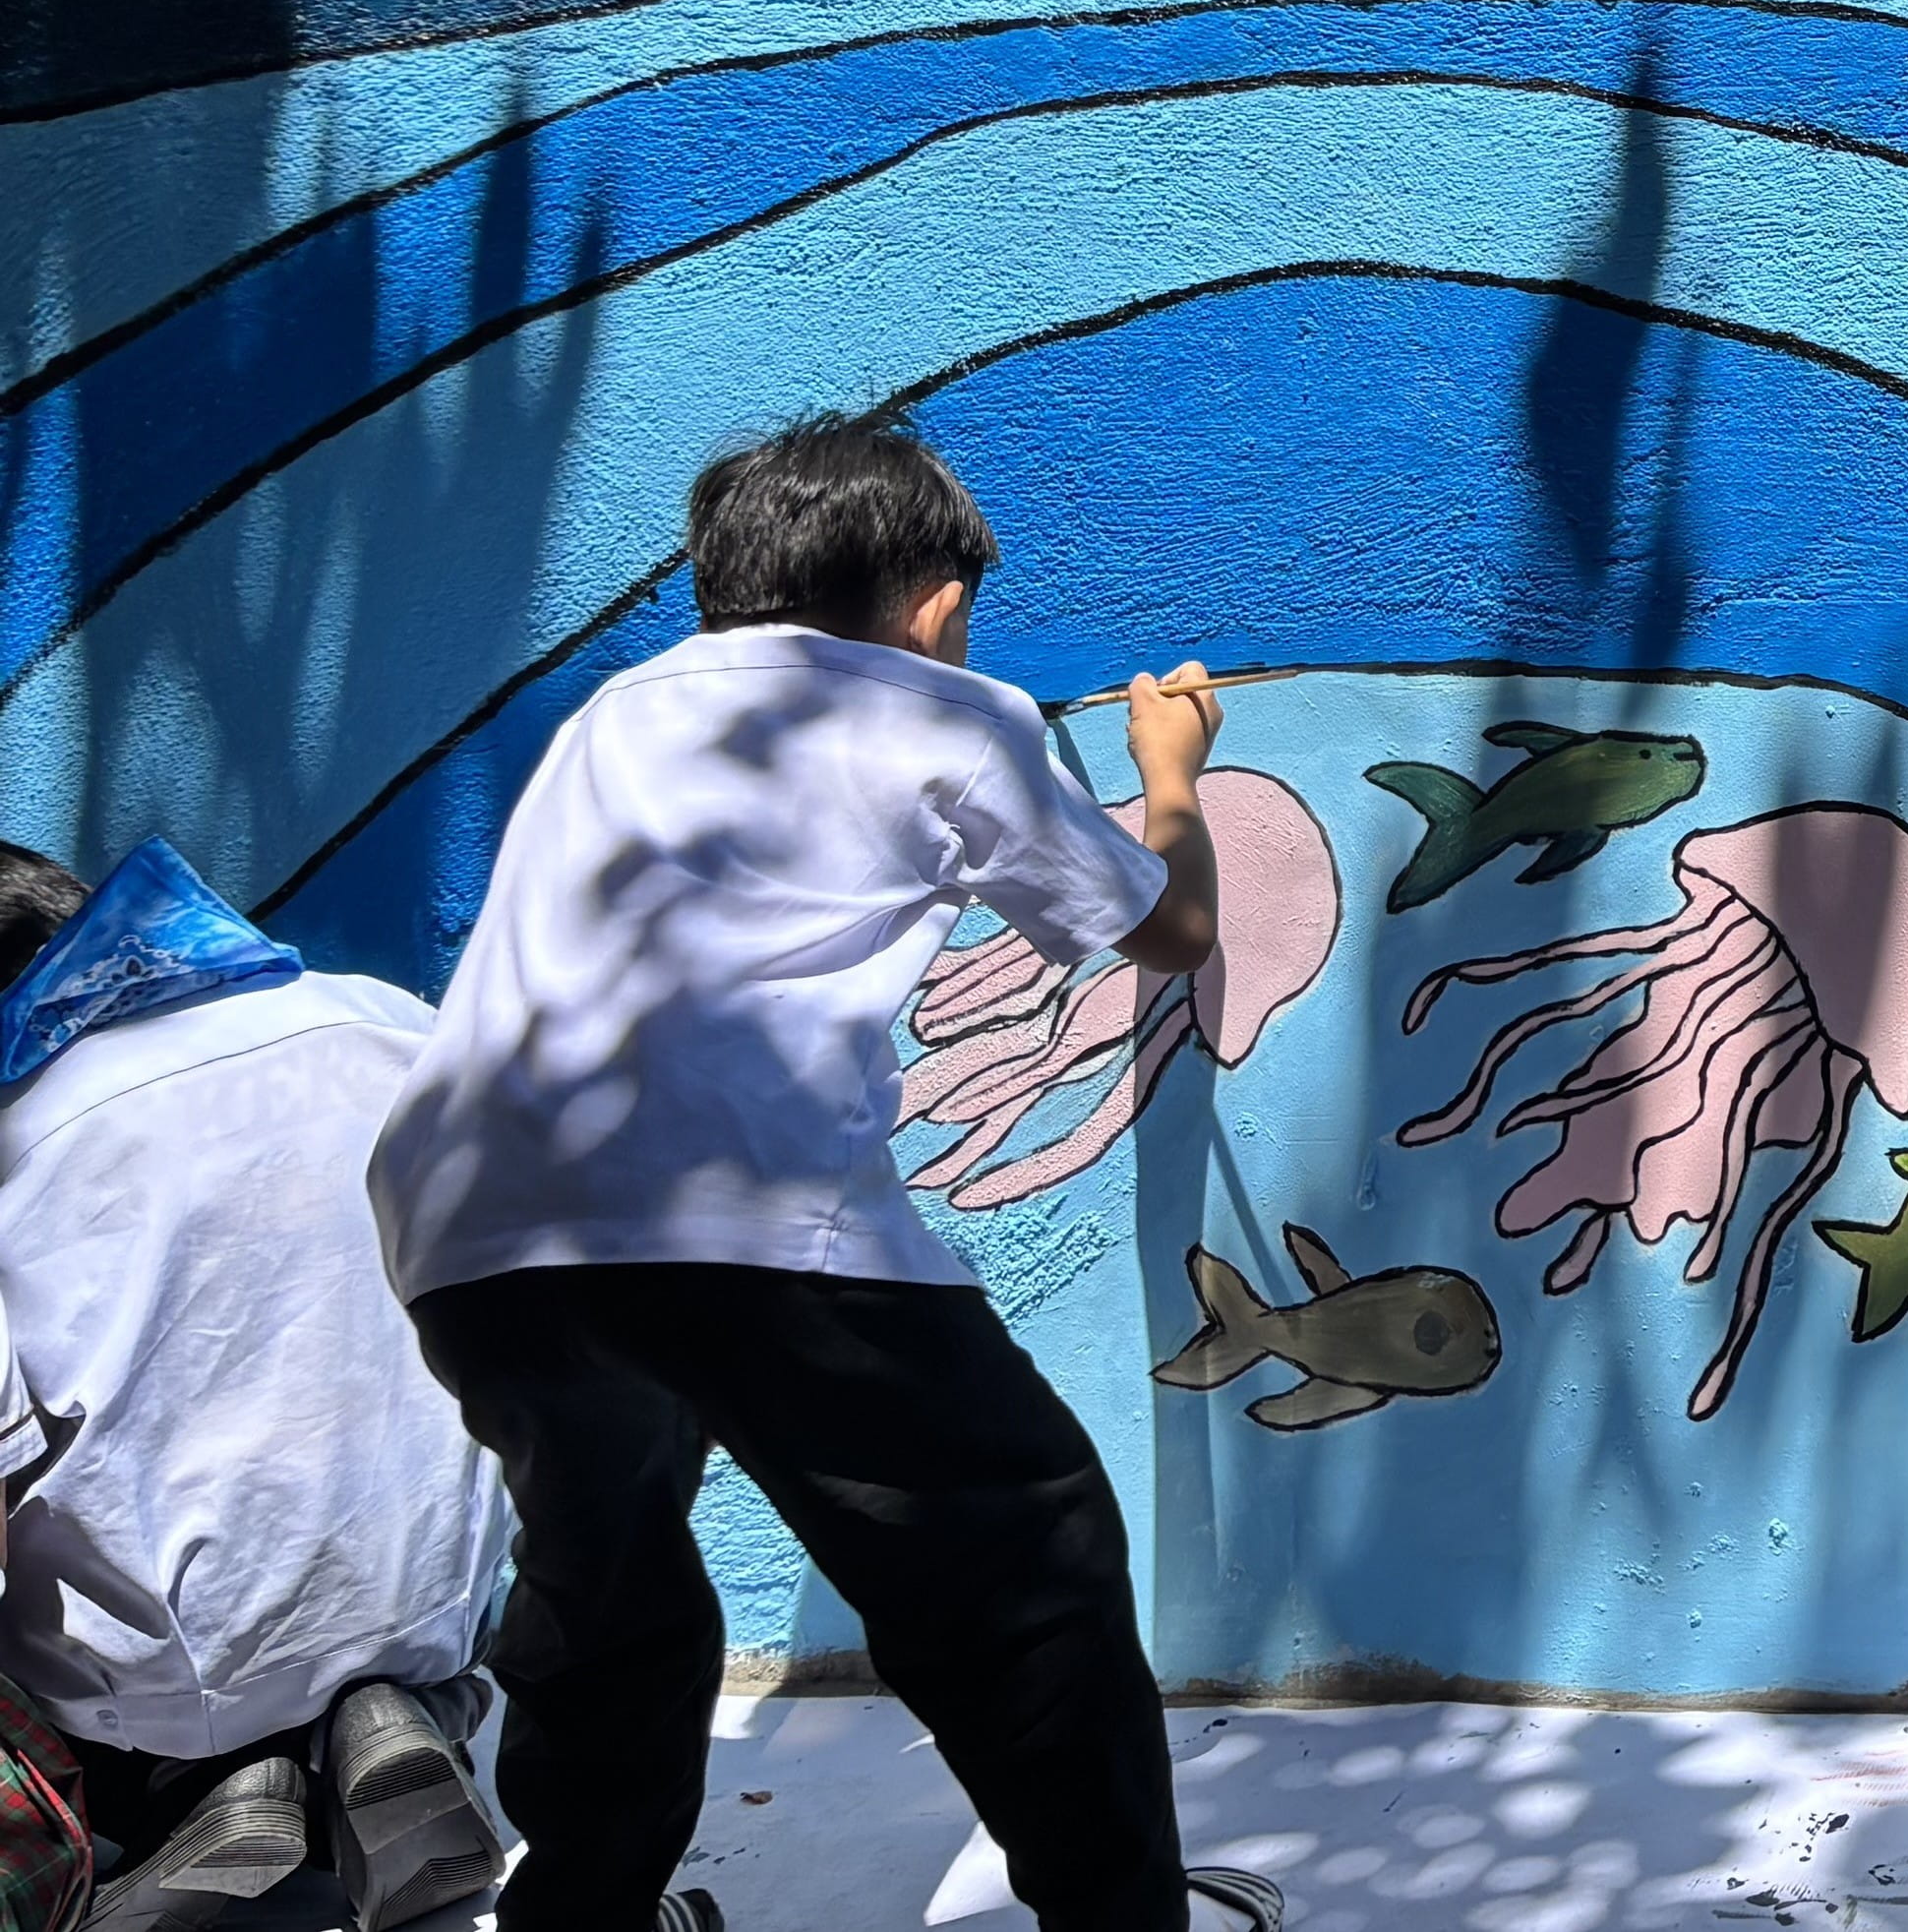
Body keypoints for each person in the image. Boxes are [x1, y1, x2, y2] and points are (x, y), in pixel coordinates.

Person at [367, 416, 1277, 1932]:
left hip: (472, 1225)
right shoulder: (944, 711)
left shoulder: (615, 713)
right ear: (929, 599)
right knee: (1025, 1560)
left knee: (602, 1585)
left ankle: (580, 1917)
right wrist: (1166, 771)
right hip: (743, 1217)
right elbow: (1166, 931)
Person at [0, 835, 513, 1932]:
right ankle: (393, 1718)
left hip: (156, 1696)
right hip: (439, 1611)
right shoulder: (387, 1021)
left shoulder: (18, 1138)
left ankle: (205, 1790)